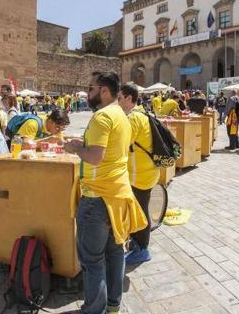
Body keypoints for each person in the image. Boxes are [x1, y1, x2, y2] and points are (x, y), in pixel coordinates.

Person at [63, 71, 146, 314]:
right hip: (117, 194)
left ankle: (93, 310)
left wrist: (74, 148)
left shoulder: (101, 117)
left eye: (91, 89)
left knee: (92, 260)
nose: (88, 94)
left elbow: (95, 158)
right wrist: (84, 145)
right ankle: (112, 306)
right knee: (115, 253)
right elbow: (108, 151)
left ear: (104, 91)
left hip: (97, 197)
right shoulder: (122, 114)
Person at [118, 83, 159, 266]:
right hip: (147, 172)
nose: (116, 102)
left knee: (140, 213)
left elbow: (121, 145)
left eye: (119, 98)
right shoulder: (143, 113)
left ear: (128, 98)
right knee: (140, 209)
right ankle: (137, 246)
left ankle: (142, 250)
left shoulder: (133, 118)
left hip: (138, 175)